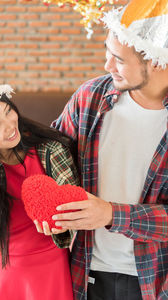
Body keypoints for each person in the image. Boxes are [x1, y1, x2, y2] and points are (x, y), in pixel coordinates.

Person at [50, 0, 168, 299]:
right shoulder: (90, 97)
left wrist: (111, 214)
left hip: (156, 281)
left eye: (119, 59)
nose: (107, 65)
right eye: (108, 51)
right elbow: (50, 157)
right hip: (86, 273)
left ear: (156, 61)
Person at [0, 77, 79, 300]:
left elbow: (73, 200)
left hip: (52, 264)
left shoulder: (50, 151)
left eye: (8, 112)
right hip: (4, 267)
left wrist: (63, 222)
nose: (10, 126)